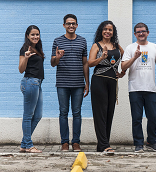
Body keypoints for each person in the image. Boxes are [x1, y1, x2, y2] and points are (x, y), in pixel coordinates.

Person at [121, 22, 156, 153]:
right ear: (135, 34)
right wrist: (134, 57)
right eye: (138, 32)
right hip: (135, 88)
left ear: (148, 32)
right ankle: (138, 143)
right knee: (136, 118)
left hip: (151, 89)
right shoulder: (130, 48)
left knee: (153, 117)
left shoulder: (155, 47)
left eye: (143, 31)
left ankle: (152, 141)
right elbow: (123, 67)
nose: (141, 33)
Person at [51, 14, 89, 152]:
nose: (71, 26)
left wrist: (87, 83)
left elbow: (85, 63)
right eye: (68, 24)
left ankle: (76, 142)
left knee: (77, 113)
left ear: (77, 25)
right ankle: (64, 143)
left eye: (73, 23)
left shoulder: (83, 41)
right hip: (62, 83)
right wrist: (58, 58)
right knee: (63, 112)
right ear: (64, 25)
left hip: (78, 83)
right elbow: (52, 63)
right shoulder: (57, 41)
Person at [88, 20, 125, 155]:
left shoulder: (117, 46)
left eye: (110, 29)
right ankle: (105, 144)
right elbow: (90, 63)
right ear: (101, 31)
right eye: (105, 29)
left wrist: (122, 72)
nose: (107, 32)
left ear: (113, 32)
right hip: (99, 81)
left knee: (109, 113)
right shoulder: (96, 45)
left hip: (112, 82)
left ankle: (102, 145)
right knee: (100, 113)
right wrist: (102, 57)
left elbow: (124, 60)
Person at [18, 25, 44, 153]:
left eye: (37, 34)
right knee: (28, 115)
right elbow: (21, 69)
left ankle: (24, 144)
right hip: (30, 82)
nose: (35, 37)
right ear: (27, 35)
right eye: (33, 34)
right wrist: (26, 58)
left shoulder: (37, 48)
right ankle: (28, 145)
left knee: (38, 115)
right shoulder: (24, 49)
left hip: (37, 83)